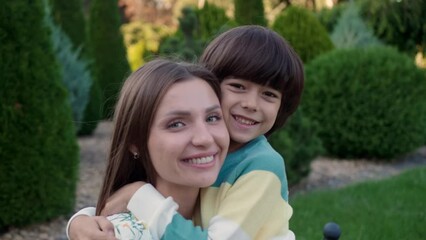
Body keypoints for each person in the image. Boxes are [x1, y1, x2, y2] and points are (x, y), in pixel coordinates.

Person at [68, 25, 304, 240]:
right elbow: (135, 211)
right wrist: (81, 221)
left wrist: (139, 195)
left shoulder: (262, 166)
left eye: (269, 95)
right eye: (238, 86)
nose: (252, 104)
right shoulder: (204, 154)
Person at [67, 59, 230, 239]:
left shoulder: (236, 214)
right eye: (176, 124)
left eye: (213, 118)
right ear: (135, 142)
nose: (205, 138)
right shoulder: (119, 235)